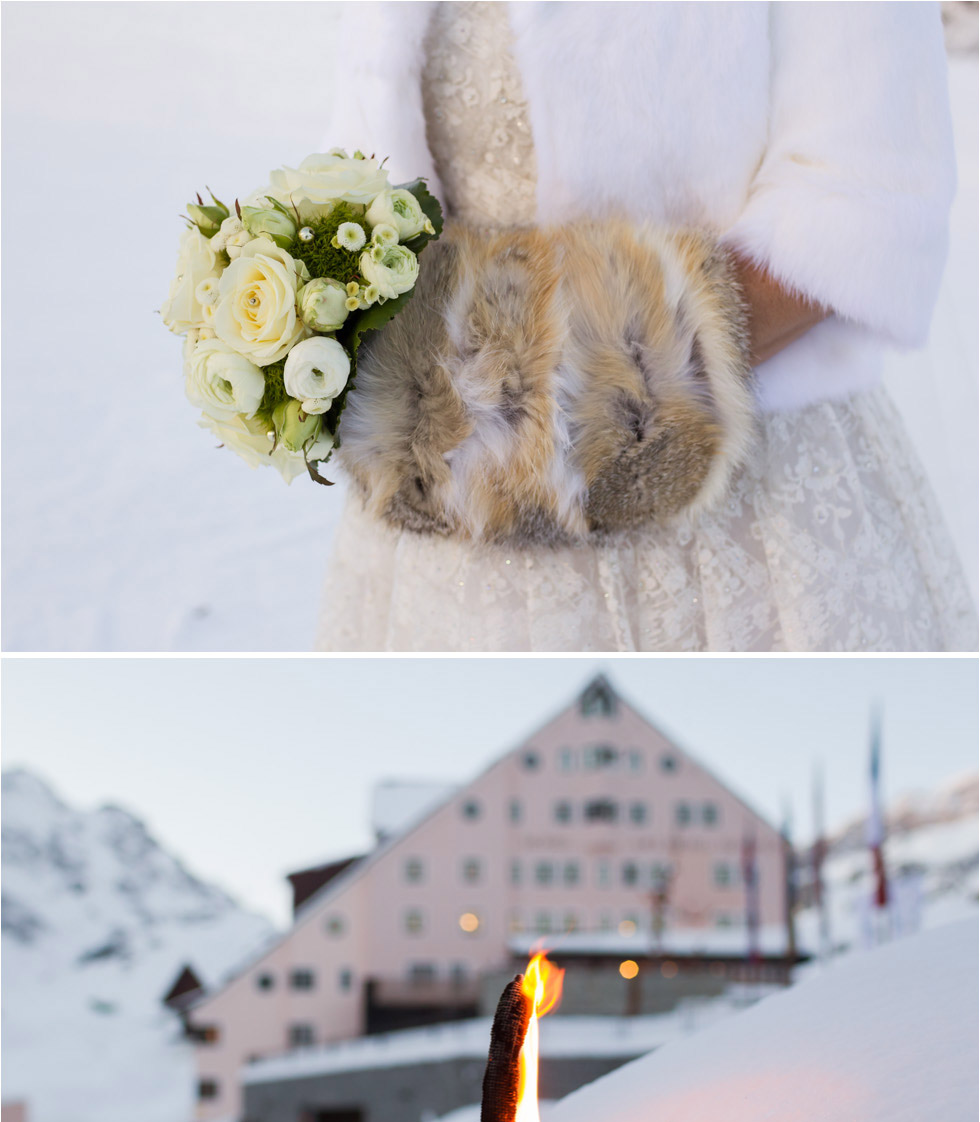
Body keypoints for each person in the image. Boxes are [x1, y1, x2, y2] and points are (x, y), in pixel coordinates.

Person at [313, 0, 977, 652]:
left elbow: (862, 199)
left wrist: (544, 400)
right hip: (444, 537)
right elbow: (362, 174)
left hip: (731, 506)